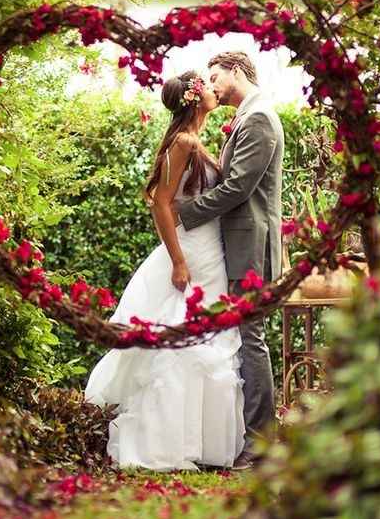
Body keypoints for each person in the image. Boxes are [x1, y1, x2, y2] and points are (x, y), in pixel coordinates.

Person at [85, 70, 245, 471]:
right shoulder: (184, 142)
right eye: (207, 85)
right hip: (191, 253)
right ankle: (167, 441)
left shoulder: (198, 140)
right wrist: (177, 260)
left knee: (205, 340)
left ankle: (202, 441)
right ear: (194, 98)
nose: (213, 88)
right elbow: (160, 203)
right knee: (182, 342)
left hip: (209, 250)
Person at [176, 51, 284, 470]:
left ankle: (260, 445)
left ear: (237, 71)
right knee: (244, 338)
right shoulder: (247, 116)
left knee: (251, 340)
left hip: (251, 250)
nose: (212, 85)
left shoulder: (259, 118)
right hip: (240, 247)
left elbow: (238, 188)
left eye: (216, 76)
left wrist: (183, 215)